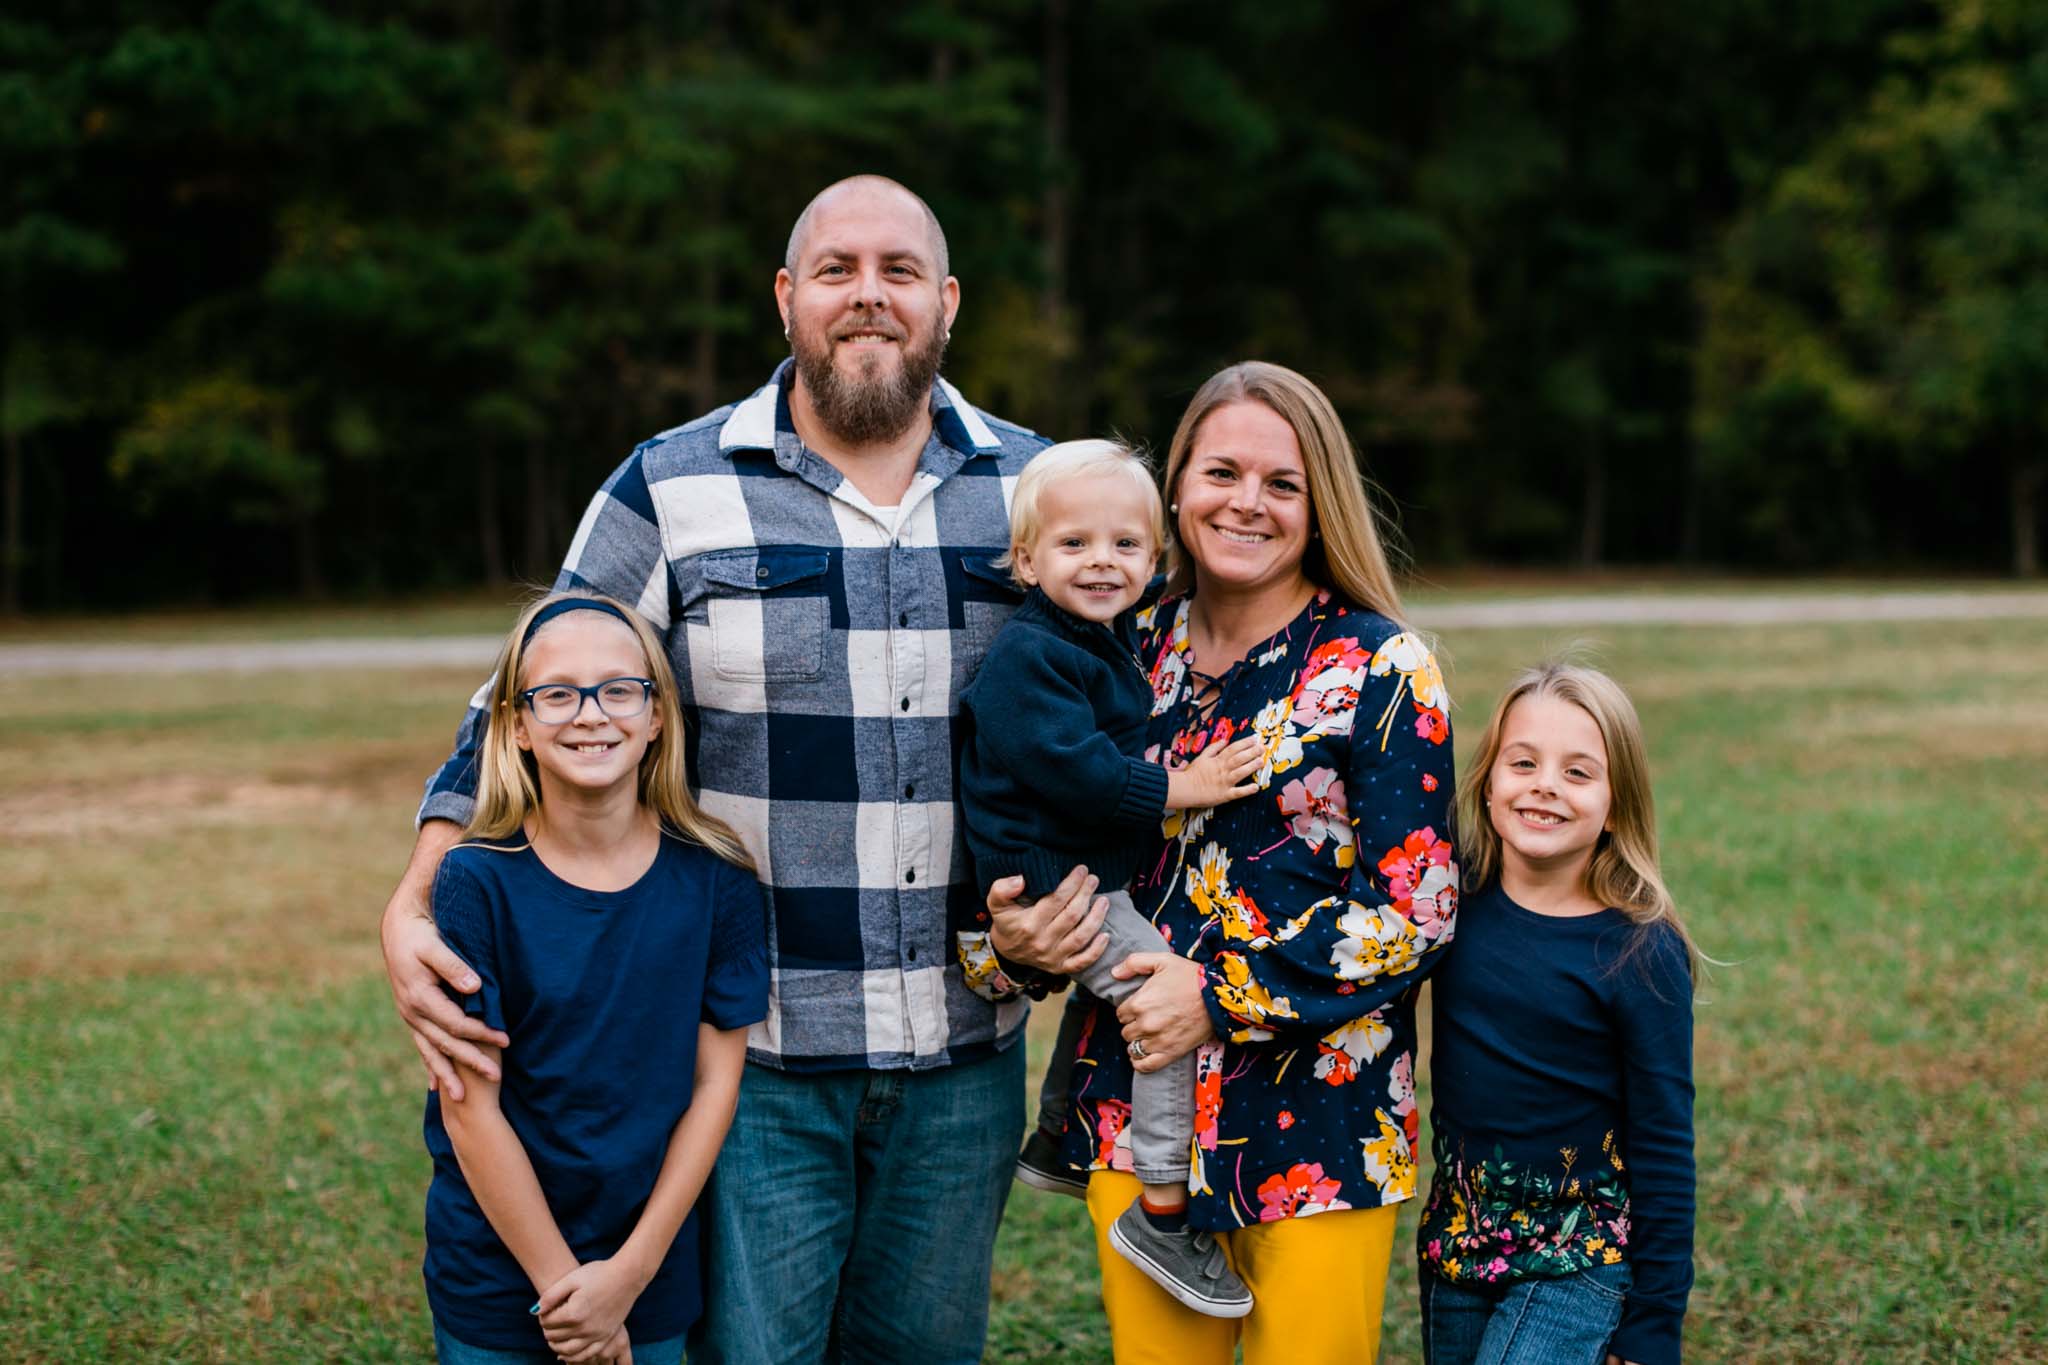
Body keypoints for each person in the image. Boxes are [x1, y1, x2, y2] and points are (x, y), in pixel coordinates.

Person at [381, 176, 1078, 1364]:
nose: (869, 297)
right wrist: (414, 896)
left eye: (899, 272)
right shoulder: (671, 482)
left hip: (963, 1055)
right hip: (758, 1065)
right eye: (837, 270)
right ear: (785, 298)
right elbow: (525, 692)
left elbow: (1133, 700)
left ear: (946, 303)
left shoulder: (1041, 491)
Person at [985, 361, 1459, 1364]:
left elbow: (1417, 909)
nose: (1246, 502)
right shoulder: (1114, 644)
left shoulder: (1377, 667)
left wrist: (1218, 993)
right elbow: (1029, 829)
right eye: (1220, 472)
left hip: (1321, 1123)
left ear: (1317, 501)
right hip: (1134, 1107)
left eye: (1280, 484)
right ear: (1177, 491)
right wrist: (1017, 948)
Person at [951, 438, 1266, 1317]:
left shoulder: (1100, 635)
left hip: (1079, 872)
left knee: (1111, 986)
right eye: (1074, 545)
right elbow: (1077, 769)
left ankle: (1056, 1135)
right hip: (1049, 880)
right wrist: (1187, 785)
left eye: (1126, 546)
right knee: (1159, 1006)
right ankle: (1162, 1209)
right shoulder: (1030, 657)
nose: (1102, 562)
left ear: (1155, 559)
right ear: (1025, 560)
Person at [421, 592, 765, 1365]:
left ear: (657, 717)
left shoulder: (719, 877)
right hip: (499, 1270)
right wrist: (565, 1290)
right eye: (557, 693)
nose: (589, 714)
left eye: (619, 689)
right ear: (516, 725)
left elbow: (716, 1086)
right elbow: (470, 1106)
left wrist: (629, 1276)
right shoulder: (474, 881)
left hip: (651, 1262)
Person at [1415, 661, 1698, 1365]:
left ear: (1617, 803)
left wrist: (1655, 1323)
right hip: (1456, 1243)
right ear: (1485, 781)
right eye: (1523, 762)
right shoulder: (1451, 908)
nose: (1544, 784)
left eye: (1578, 772)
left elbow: (1665, 1141)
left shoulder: (1638, 949)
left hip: (1579, 1258)